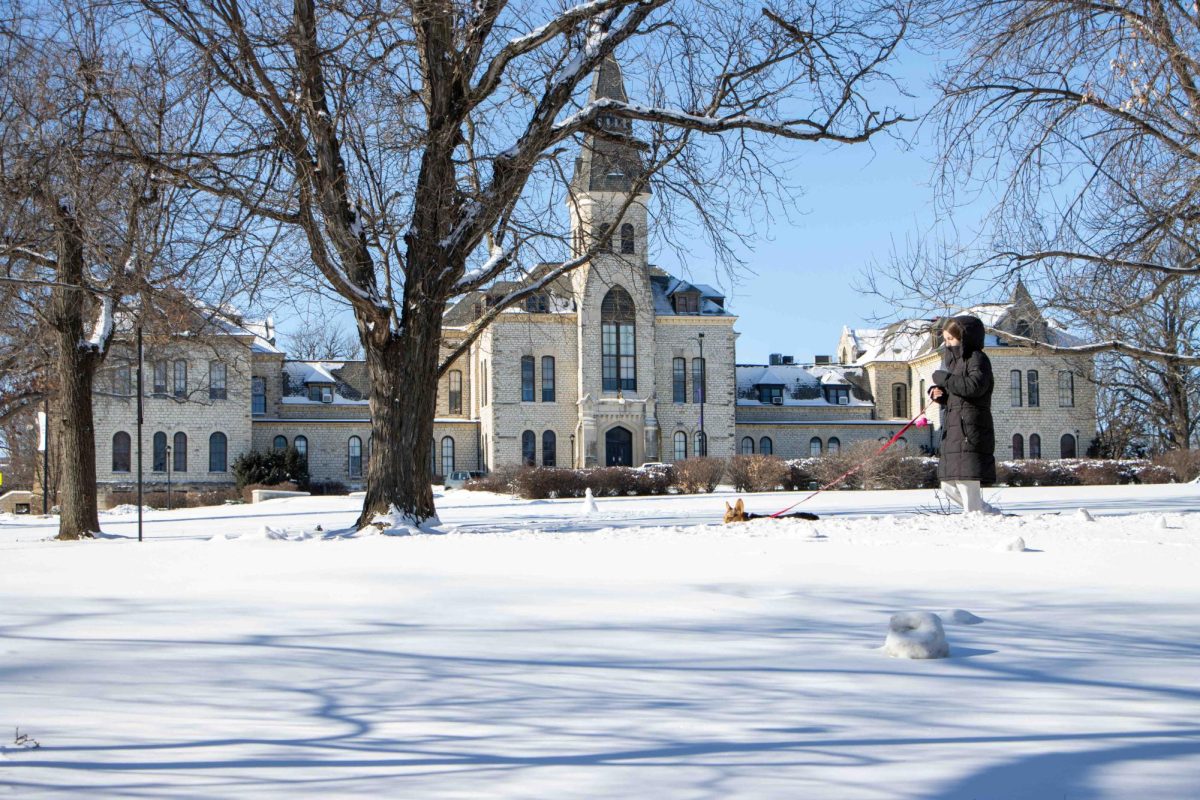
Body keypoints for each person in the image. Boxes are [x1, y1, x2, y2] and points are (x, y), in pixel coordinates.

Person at [928, 315, 998, 514]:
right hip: (954, 427)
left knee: (967, 481)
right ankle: (986, 512)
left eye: (951, 339)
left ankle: (976, 516)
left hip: (971, 428)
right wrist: (939, 394)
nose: (947, 344)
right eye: (946, 339)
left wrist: (945, 379)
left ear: (965, 338)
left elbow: (974, 387)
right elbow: (956, 391)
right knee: (948, 485)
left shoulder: (978, 358)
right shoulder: (953, 363)